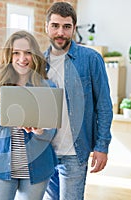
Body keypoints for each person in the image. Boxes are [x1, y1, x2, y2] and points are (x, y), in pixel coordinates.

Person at [0, 30, 57, 200]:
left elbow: (52, 131)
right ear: (8, 56)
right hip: (2, 167)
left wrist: (40, 131)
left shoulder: (47, 86)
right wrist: (6, 118)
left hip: (38, 166)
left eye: (28, 53)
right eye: (16, 53)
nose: (22, 58)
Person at [42, 2, 113, 200]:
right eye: (55, 26)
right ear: (46, 27)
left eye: (66, 27)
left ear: (73, 28)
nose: (60, 32)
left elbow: (104, 106)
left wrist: (102, 146)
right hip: (43, 152)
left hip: (75, 152)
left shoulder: (91, 59)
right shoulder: (38, 61)